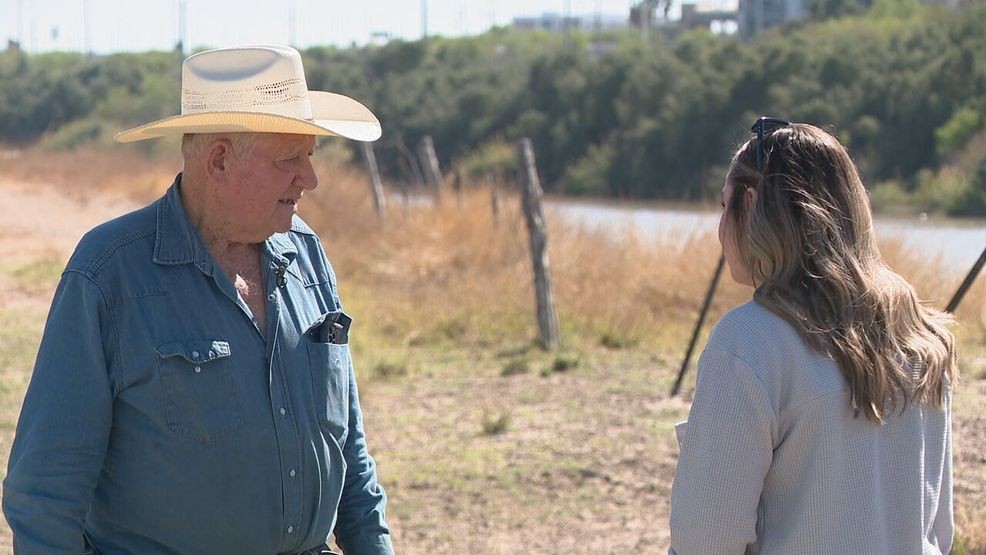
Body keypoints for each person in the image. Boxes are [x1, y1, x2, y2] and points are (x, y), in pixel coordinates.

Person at [3, 45, 393, 555]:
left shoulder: (308, 255)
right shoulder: (109, 273)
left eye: (309, 156)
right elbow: (44, 495)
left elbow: (349, 452)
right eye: (289, 159)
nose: (310, 178)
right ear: (220, 160)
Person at [668, 118, 957, 553]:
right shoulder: (920, 334)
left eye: (724, 205)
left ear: (751, 203)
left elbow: (705, 540)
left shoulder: (749, 341)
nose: (720, 227)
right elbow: (937, 530)